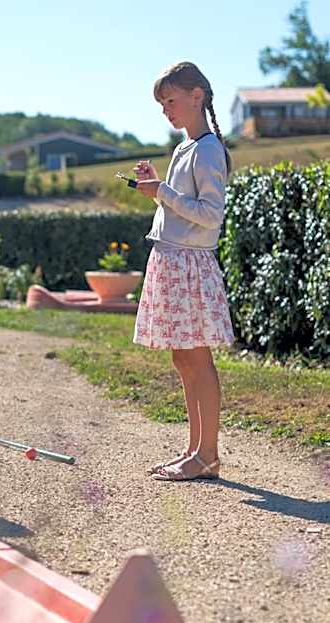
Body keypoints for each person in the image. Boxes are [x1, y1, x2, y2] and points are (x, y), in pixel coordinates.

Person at [132, 61, 235, 481]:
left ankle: (207, 454)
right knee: (182, 358)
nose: (165, 110)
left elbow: (210, 216)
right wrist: (157, 188)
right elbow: (179, 209)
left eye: (170, 101)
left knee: (197, 358)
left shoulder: (209, 149)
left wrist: (164, 192)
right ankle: (195, 450)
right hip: (172, 261)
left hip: (189, 266)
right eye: (161, 104)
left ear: (197, 97)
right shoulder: (184, 150)